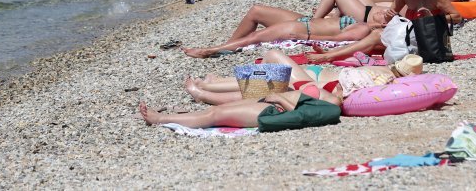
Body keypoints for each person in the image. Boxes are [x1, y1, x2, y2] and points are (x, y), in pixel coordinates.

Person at [306, 0, 461, 64]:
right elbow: (391, 15)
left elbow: (457, 17)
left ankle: (328, 56)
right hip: (410, 36)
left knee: (375, 37)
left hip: (430, 41)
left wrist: (432, 19)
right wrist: (388, 16)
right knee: (375, 38)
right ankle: (334, 51)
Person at [184, 50, 422, 106]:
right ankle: (211, 86)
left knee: (273, 59)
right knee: (271, 76)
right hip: (315, 78)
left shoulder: (383, 77)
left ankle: (208, 89)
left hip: (316, 84)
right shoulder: (383, 74)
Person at [182, 7, 396, 58]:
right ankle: (229, 47)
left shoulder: (364, 29)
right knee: (256, 10)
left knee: (254, 38)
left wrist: (306, 38)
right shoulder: (362, 22)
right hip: (304, 21)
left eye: (386, 16)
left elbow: (336, 39)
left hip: (301, 29)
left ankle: (212, 50)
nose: (381, 12)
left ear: (385, 27)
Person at [138, 89, 341, 133]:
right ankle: (170, 117)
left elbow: (299, 117)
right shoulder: (331, 105)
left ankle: (160, 118)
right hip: (272, 107)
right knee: (217, 110)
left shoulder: (331, 109)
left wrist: (280, 98)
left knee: (215, 115)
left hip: (272, 112)